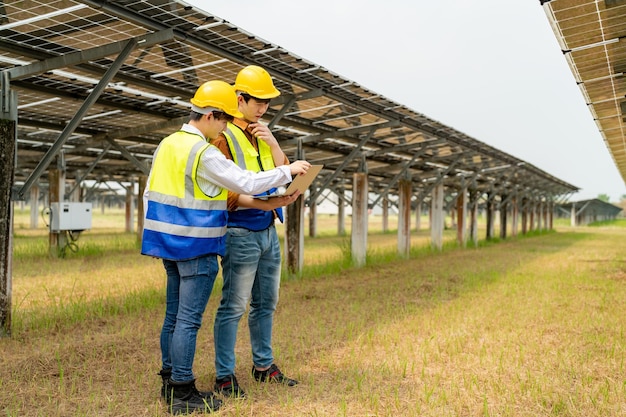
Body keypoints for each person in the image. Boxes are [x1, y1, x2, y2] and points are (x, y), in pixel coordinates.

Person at [141, 79, 310, 415]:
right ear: (211, 115)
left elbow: (150, 193)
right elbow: (244, 182)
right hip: (197, 243)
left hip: (168, 242)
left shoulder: (168, 143)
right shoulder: (203, 150)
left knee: (174, 317)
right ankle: (183, 391)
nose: (225, 126)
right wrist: (286, 170)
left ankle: (169, 380)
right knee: (189, 320)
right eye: (223, 118)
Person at [212, 65, 299, 399]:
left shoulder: (262, 134)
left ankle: (263, 366)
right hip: (240, 233)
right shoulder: (224, 137)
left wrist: (274, 142)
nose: (263, 107)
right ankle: (224, 375)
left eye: (267, 102)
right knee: (234, 306)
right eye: (257, 100)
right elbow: (229, 195)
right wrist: (265, 205)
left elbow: (283, 173)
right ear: (239, 99)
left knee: (266, 303)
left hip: (266, 232)